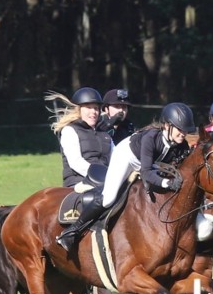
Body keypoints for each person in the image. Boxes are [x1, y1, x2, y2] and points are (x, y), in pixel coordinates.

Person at [56, 102, 196, 251]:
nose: (183, 133)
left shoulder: (182, 145)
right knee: (109, 197)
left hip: (148, 163)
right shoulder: (151, 138)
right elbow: (146, 173)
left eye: (186, 131)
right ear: (167, 126)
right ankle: (71, 232)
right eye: (179, 129)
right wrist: (167, 183)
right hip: (126, 157)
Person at [45, 87, 114, 188]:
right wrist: (101, 176)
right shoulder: (70, 130)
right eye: (88, 108)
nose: (93, 112)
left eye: (95, 108)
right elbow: (76, 162)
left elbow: (115, 157)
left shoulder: (104, 133)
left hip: (105, 182)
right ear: (79, 110)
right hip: (79, 182)